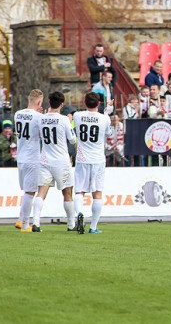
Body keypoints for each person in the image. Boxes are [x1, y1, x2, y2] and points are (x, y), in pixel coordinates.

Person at [33, 91, 77, 232]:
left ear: (49, 103)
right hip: (61, 161)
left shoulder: (41, 118)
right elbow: (72, 140)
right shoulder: (64, 119)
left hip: (45, 159)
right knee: (67, 193)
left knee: (41, 192)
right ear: (62, 105)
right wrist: (70, 123)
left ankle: (36, 223)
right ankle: (71, 224)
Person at [72, 92, 111, 234]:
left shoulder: (77, 115)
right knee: (97, 193)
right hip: (98, 159)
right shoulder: (104, 118)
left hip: (82, 159)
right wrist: (107, 112)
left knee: (79, 191)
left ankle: (79, 214)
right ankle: (93, 227)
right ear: (99, 104)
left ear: (84, 102)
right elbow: (108, 133)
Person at [13, 89, 44, 232]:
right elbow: (42, 135)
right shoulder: (39, 117)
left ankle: (20, 219)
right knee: (30, 192)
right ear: (39, 102)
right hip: (32, 158)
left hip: (21, 157)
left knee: (27, 191)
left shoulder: (17, 114)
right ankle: (25, 225)